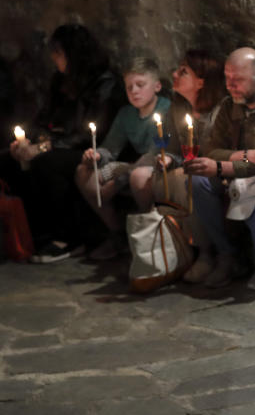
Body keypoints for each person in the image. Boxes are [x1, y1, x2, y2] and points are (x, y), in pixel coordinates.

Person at [3, 24, 124, 262]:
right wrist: (27, 142)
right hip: (56, 143)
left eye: (58, 53)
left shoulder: (104, 82)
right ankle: (31, 233)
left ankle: (68, 237)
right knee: (8, 160)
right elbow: (43, 118)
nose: (53, 58)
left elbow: (90, 133)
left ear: (74, 53)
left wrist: (44, 147)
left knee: (46, 163)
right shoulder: (61, 81)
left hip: (88, 150)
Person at [182, 47, 255, 289]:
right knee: (198, 181)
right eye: (227, 77)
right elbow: (212, 150)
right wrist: (247, 155)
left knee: (246, 186)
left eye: (238, 79)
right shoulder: (230, 104)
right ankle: (226, 254)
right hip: (240, 167)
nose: (230, 85)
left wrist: (224, 167)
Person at [75, 57, 173, 259]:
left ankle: (150, 237)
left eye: (140, 85)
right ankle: (118, 234)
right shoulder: (127, 113)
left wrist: (117, 181)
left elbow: (155, 154)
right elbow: (111, 147)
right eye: (129, 87)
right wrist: (96, 155)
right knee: (83, 173)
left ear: (157, 86)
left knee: (138, 175)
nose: (134, 91)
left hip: (161, 164)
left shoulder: (166, 110)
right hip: (135, 165)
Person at [128, 50, 225, 228]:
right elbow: (170, 146)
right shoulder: (178, 107)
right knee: (141, 176)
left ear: (201, 82)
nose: (174, 74)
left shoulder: (220, 113)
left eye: (183, 72)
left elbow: (214, 156)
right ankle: (161, 235)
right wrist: (169, 157)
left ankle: (204, 247)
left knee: (185, 181)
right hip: (183, 167)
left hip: (212, 172)